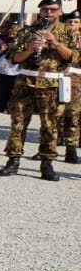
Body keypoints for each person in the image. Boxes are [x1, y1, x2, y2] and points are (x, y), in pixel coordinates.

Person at [0, 0, 79, 181]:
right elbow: (14, 58)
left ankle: (47, 163)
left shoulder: (70, 32)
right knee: (18, 123)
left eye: (53, 9)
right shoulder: (27, 31)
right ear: (40, 11)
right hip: (26, 82)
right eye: (45, 9)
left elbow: (73, 57)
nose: (48, 13)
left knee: (50, 126)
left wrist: (56, 43)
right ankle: (13, 161)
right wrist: (30, 50)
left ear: (60, 11)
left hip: (52, 85)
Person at [61, 10, 81, 164]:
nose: (72, 24)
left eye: (75, 22)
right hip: (58, 78)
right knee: (54, 113)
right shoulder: (59, 36)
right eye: (69, 22)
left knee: (73, 114)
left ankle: (71, 148)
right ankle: (48, 148)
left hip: (77, 80)